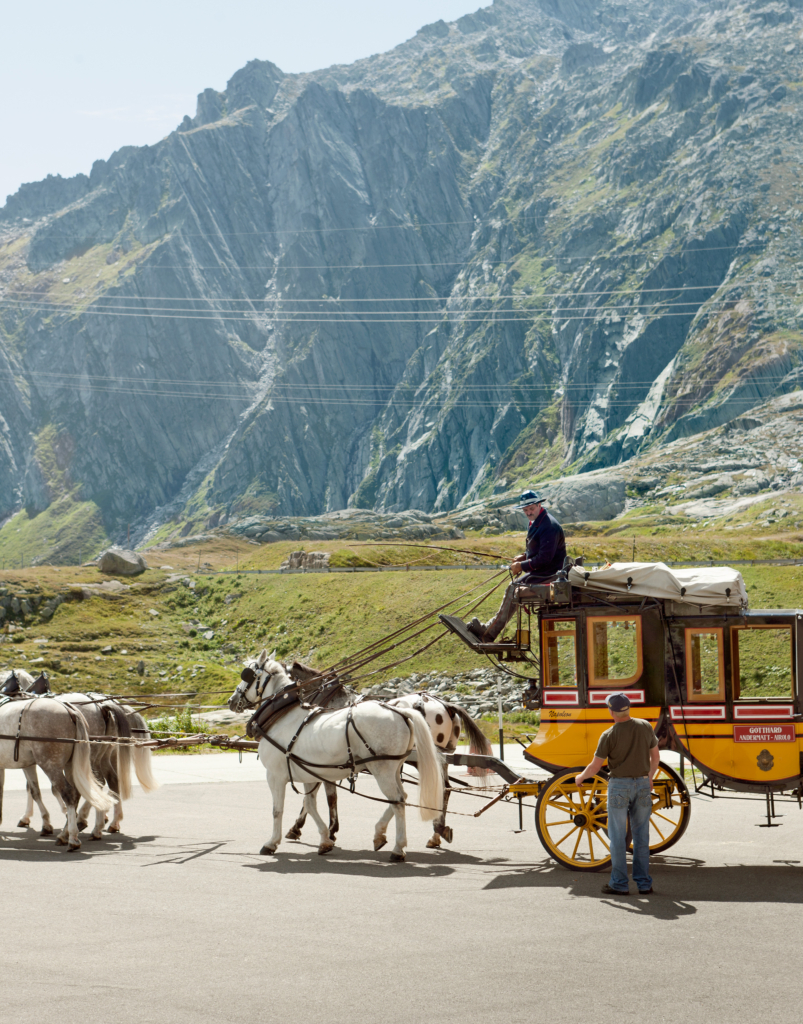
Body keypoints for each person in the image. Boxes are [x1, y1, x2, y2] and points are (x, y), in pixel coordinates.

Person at [575, 692, 660, 895]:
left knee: (618, 837)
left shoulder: (608, 734)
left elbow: (595, 767)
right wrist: (649, 776)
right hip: (642, 785)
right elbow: (655, 756)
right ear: (628, 708)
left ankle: (620, 883)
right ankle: (644, 883)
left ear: (611, 711)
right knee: (641, 836)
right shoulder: (645, 726)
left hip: (619, 786)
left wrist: (580, 777)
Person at [466, 489, 566, 642]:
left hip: (550, 573)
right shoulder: (537, 521)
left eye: (531, 508)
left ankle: (489, 633)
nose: (528, 512)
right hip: (543, 571)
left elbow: (545, 559)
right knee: (512, 587)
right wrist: (524, 556)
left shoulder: (549, 526)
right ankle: (489, 630)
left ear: (539, 505)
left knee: (513, 589)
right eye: (525, 510)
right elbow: (539, 549)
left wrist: (521, 566)